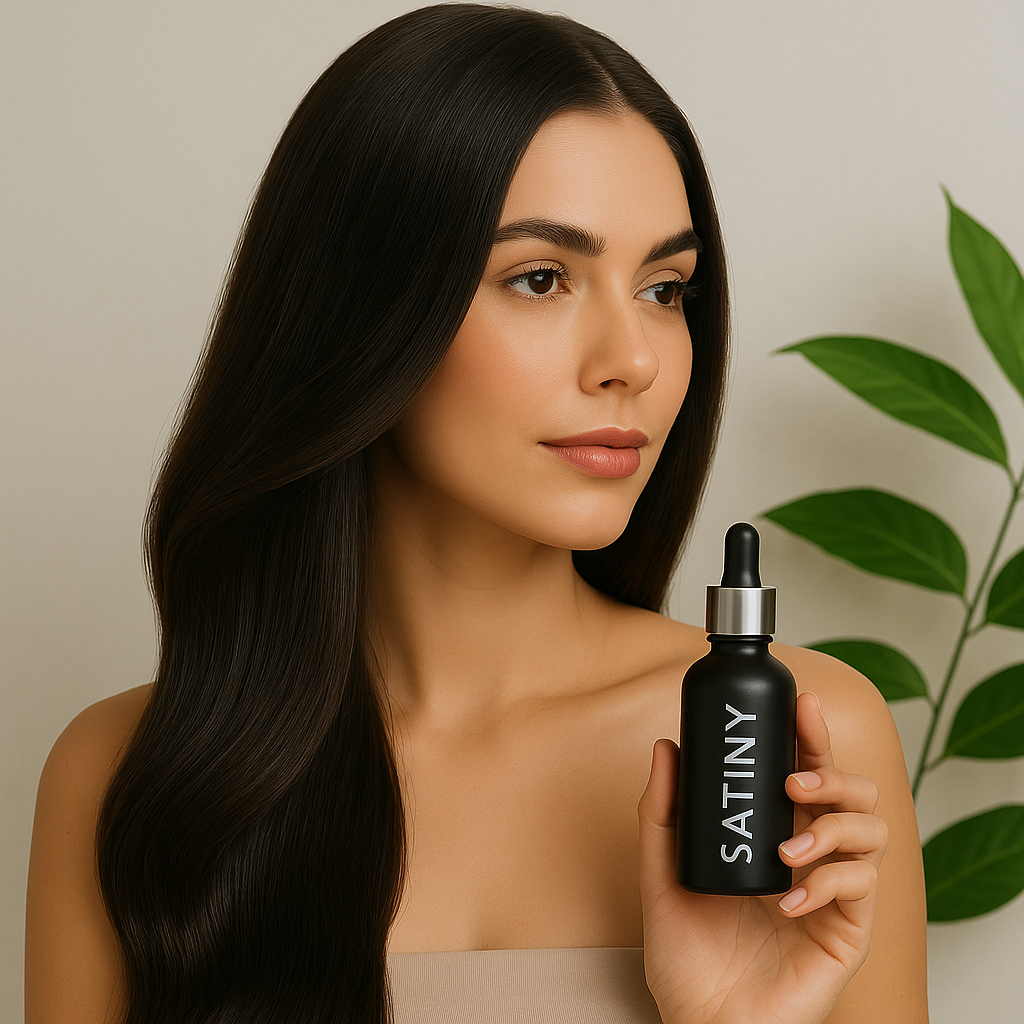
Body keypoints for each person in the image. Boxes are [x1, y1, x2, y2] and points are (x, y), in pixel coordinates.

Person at [24, 5, 929, 1023]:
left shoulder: (794, 752)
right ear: (359, 314)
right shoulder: (130, 775)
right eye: (541, 278)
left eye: (666, 288)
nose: (633, 359)